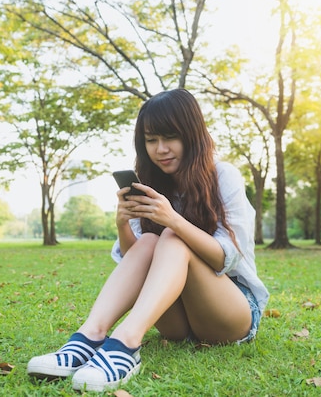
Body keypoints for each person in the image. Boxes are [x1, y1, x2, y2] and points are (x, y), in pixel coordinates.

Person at [27, 89, 269, 392]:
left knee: (170, 236)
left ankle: (126, 345)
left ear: (193, 135)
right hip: (177, 323)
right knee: (149, 242)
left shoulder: (223, 175)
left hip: (229, 313)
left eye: (170, 138)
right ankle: (90, 337)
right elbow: (136, 260)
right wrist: (122, 224)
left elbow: (225, 258)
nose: (161, 149)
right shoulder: (151, 181)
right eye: (151, 140)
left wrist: (173, 220)